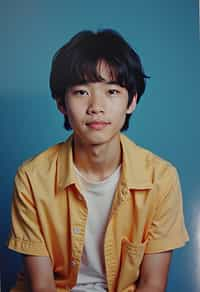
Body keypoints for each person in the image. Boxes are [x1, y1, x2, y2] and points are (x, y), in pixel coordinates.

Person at [7, 29, 189, 292]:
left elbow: (152, 284)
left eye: (112, 91)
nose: (96, 106)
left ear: (132, 101)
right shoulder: (32, 178)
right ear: (61, 103)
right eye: (81, 92)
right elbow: (42, 286)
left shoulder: (160, 179)